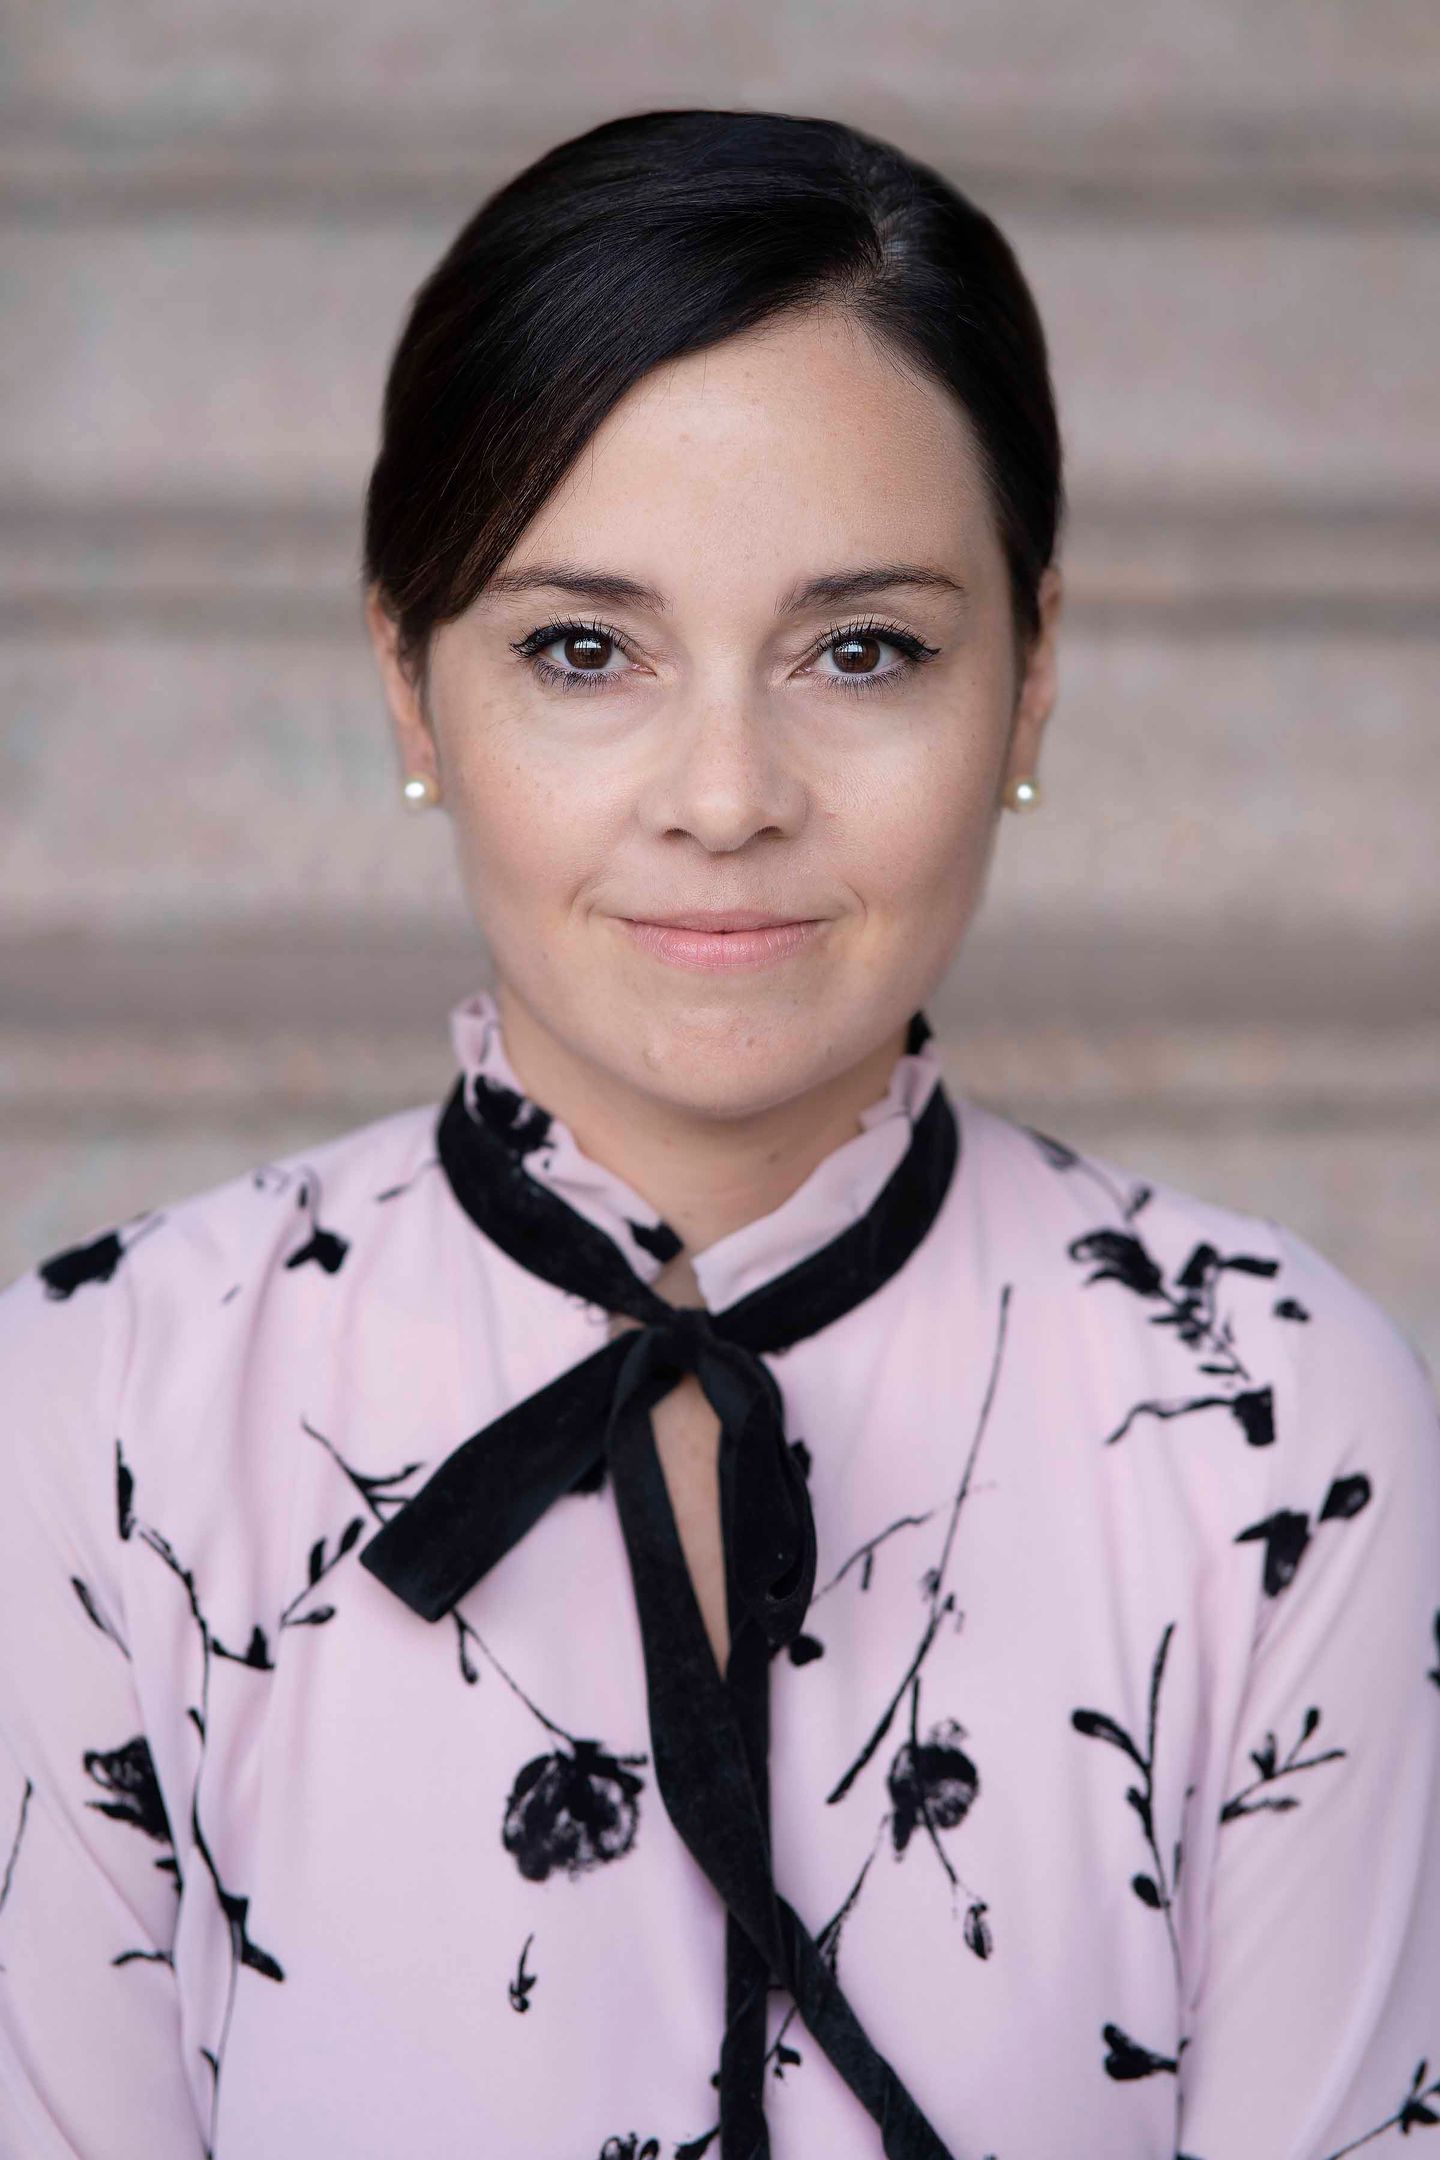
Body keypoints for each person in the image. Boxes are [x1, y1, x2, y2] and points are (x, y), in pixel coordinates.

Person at [0, 106, 1435, 2160]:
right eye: (584, 651)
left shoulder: (1274, 1427)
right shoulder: (95, 1419)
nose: (727, 794)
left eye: (864, 651)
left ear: (1030, 679)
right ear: (410, 683)